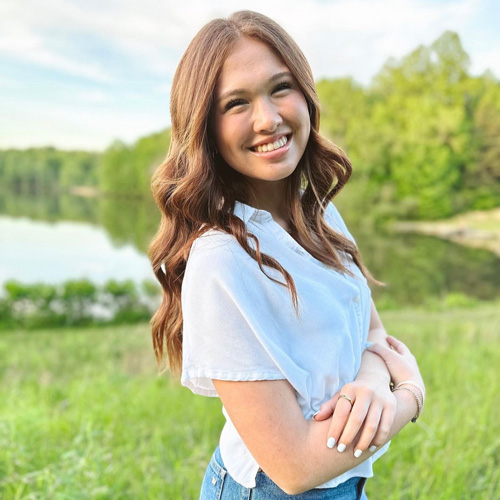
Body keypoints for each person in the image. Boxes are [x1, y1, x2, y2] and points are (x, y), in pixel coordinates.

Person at [148, 10, 425, 500]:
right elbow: (295, 466)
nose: (268, 118)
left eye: (280, 88)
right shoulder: (221, 260)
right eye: (236, 103)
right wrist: (407, 398)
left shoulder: (319, 216)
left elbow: (373, 332)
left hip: (343, 481)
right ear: (204, 128)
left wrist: (371, 381)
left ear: (305, 94)